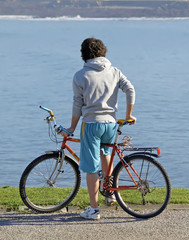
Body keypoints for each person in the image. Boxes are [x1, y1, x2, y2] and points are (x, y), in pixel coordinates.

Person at [61, 37, 136, 220]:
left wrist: (71, 127)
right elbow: (130, 90)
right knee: (106, 155)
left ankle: (93, 210)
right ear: (103, 52)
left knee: (91, 168)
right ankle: (109, 193)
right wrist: (128, 115)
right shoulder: (115, 71)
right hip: (110, 123)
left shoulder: (80, 75)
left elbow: (77, 104)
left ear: (84, 54)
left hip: (92, 124)